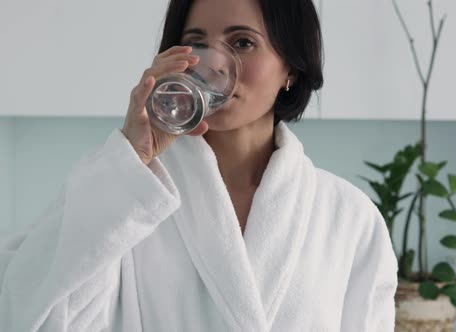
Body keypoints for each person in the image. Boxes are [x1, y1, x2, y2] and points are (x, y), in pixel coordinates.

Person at [0, 0, 398, 330]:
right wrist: (129, 160)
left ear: (291, 68)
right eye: (195, 44)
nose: (215, 64)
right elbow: (29, 313)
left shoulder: (349, 217)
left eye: (242, 43)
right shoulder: (127, 198)